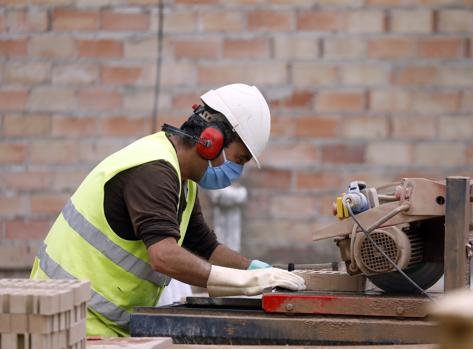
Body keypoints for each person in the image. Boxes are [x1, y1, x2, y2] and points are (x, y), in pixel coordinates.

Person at [30, 83, 306, 337]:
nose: (237, 171)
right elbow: (164, 256)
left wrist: (257, 270)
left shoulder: (183, 179)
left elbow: (201, 244)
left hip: (97, 321)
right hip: (67, 319)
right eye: (239, 159)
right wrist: (245, 282)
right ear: (212, 141)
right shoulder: (154, 172)